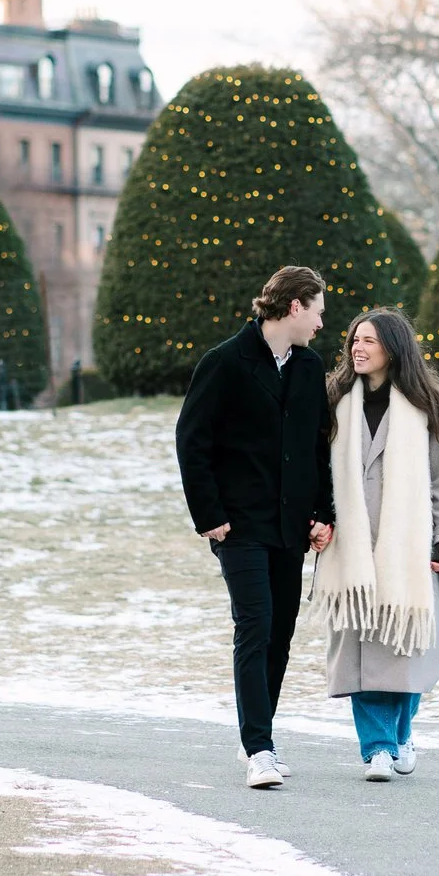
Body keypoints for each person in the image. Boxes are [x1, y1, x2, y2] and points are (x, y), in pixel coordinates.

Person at [175, 265, 337, 789]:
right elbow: (191, 442)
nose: (320, 321)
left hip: (290, 527)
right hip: (238, 526)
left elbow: (318, 447)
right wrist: (211, 518)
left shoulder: (310, 368)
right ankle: (258, 749)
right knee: (256, 624)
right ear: (294, 306)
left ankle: (263, 736)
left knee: (281, 634)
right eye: (316, 309)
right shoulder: (223, 362)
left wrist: (323, 512)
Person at [312, 306, 439, 780]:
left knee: (405, 652)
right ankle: (377, 747)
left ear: (393, 349)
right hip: (350, 552)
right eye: (354, 340)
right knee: (364, 652)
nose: (358, 348)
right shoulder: (333, 402)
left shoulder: (425, 409)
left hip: (408, 552)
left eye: (370, 341)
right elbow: (313, 471)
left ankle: (400, 735)